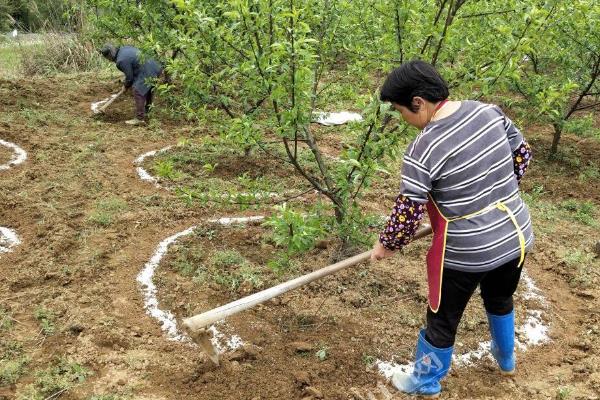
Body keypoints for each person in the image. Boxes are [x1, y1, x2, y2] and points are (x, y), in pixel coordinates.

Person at [371, 60, 533, 397]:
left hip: (466, 253)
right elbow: (521, 154)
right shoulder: (489, 112)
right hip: (516, 235)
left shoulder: (423, 148)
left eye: (402, 111)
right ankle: (506, 359)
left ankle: (425, 381)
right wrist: (492, 194)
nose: (404, 120)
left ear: (418, 102)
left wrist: (386, 244)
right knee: (500, 297)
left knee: (442, 320)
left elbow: (408, 210)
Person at [100, 44, 163, 125]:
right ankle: (148, 112)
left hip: (146, 70)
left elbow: (130, 77)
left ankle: (139, 119)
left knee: (137, 90)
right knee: (148, 88)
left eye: (107, 58)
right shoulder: (125, 48)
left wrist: (125, 85)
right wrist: (126, 82)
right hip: (156, 67)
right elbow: (132, 69)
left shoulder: (120, 61)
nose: (108, 60)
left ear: (110, 55)